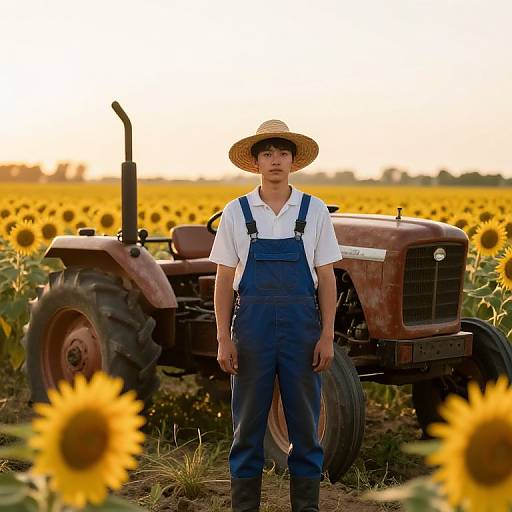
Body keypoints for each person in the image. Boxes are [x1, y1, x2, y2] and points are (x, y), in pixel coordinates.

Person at [208, 119, 342, 511]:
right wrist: (222, 336)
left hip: (302, 329)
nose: (275, 160)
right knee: (247, 426)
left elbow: (326, 277)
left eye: (283, 153)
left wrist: (328, 334)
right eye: (267, 153)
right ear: (255, 163)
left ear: (293, 161)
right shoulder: (236, 212)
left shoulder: (314, 210)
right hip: (252, 329)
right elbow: (224, 277)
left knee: (305, 426)